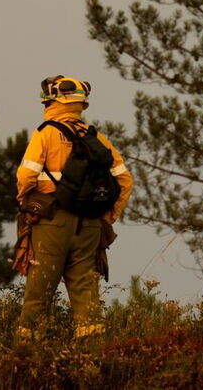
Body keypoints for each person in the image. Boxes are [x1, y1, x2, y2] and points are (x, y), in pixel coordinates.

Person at [13, 75, 133, 343]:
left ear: (51, 101)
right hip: (90, 225)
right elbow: (125, 181)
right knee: (85, 291)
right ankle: (92, 355)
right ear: (81, 104)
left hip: (51, 223)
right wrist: (106, 217)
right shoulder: (97, 139)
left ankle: (25, 354)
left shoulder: (45, 133)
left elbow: (26, 175)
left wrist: (24, 201)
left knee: (39, 290)